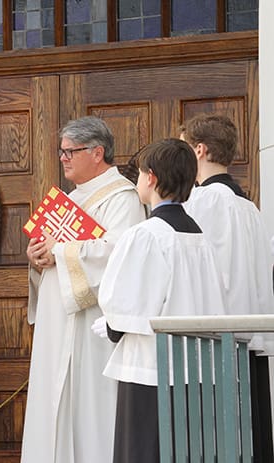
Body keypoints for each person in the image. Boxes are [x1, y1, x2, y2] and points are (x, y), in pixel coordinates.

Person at [21, 116, 145, 463]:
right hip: (56, 324)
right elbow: (56, 256)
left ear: (97, 152)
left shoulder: (123, 198)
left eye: (70, 151)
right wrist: (37, 258)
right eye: (62, 151)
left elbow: (119, 255)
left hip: (90, 327)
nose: (63, 158)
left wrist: (58, 251)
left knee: (88, 407)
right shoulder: (68, 200)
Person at [97, 138, 227, 463]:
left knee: (144, 453)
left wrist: (112, 326)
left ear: (151, 177)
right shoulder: (200, 238)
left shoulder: (146, 234)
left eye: (140, 173)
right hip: (196, 372)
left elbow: (121, 303)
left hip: (151, 371)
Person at [180, 114, 274, 461]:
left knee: (217, 443)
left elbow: (192, 266)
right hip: (249, 338)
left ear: (199, 150)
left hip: (216, 345)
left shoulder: (202, 202)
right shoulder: (250, 208)